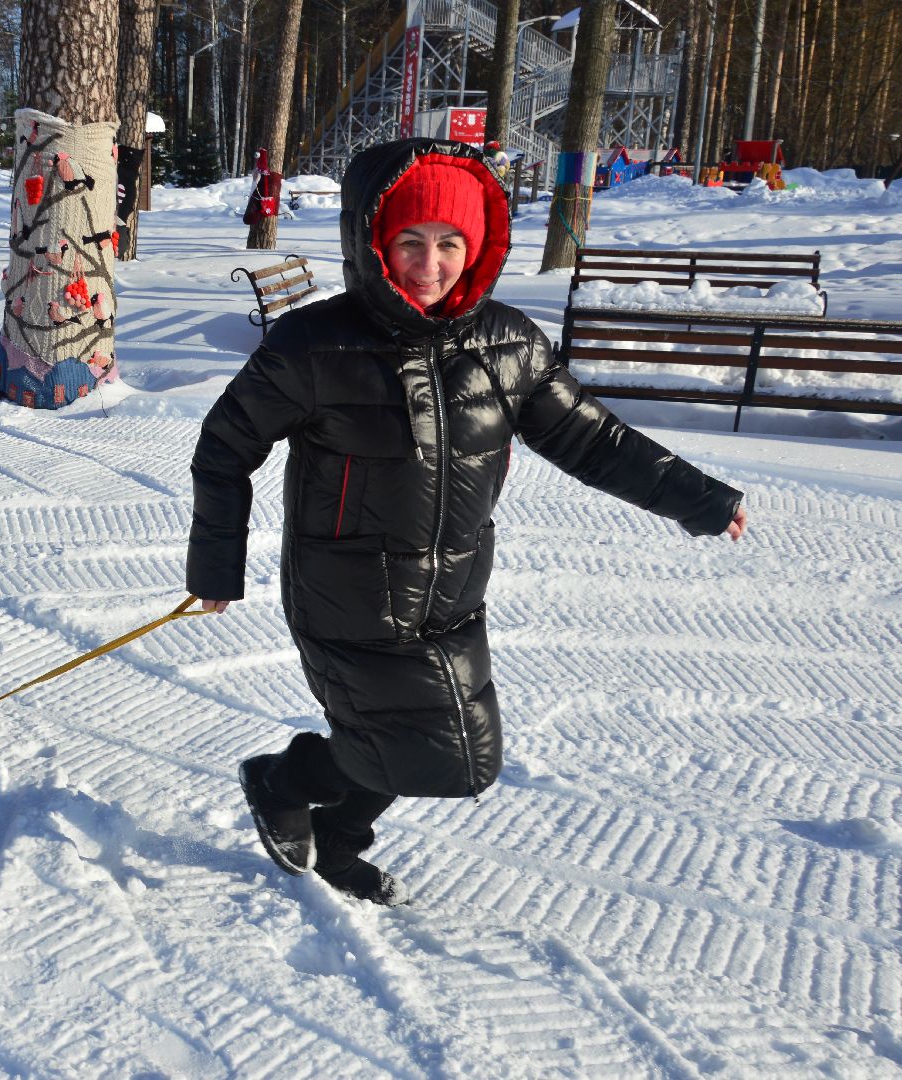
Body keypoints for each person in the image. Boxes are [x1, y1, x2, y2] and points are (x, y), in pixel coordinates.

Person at [186, 138, 747, 907]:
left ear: (478, 245)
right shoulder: (315, 347)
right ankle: (296, 794)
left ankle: (314, 814)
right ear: (372, 242)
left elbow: (593, 439)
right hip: (345, 594)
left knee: (437, 750)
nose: (430, 263)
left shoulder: (508, 345)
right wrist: (216, 565)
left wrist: (701, 500)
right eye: (409, 241)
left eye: (450, 242)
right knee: (434, 747)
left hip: (451, 588)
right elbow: (224, 449)